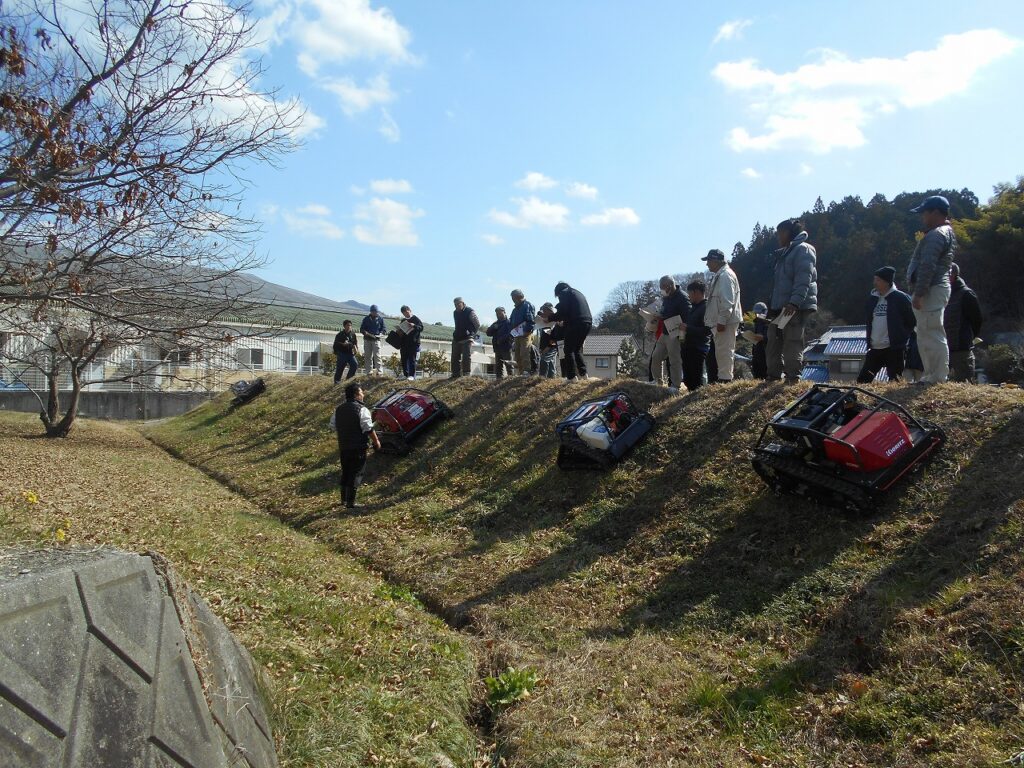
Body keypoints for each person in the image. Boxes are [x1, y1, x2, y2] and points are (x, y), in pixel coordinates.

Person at [906, 195, 956, 383]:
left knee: (931, 332)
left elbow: (928, 265)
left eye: (925, 213)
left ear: (935, 212)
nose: (923, 217)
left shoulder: (937, 235)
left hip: (931, 289)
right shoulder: (944, 232)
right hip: (935, 288)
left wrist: (919, 293)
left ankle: (937, 375)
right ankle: (931, 374)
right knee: (926, 332)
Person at [767, 218, 818, 382]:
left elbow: (803, 279)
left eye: (780, 233)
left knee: (792, 340)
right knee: (774, 338)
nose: (778, 237)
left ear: (788, 232)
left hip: (794, 306)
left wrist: (794, 302)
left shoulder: (803, 249)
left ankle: (793, 376)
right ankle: (773, 375)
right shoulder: (785, 253)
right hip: (781, 306)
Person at [857, 266, 915, 383]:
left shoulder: (900, 298)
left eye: (878, 280)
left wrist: (902, 336)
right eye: (875, 279)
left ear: (887, 281)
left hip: (894, 348)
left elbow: (912, 320)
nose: (875, 283)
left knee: (895, 381)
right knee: (862, 381)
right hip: (875, 347)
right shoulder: (872, 299)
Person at [330, 382, 380, 509]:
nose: (363, 395)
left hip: (344, 446)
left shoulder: (339, 409)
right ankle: (351, 502)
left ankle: (343, 500)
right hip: (358, 447)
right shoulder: (362, 409)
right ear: (356, 395)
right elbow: (368, 428)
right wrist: (376, 442)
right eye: (361, 392)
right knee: (356, 472)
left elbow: (333, 425)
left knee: (346, 471)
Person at [702, 249, 743, 383]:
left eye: (708, 261)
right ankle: (724, 378)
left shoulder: (725, 276)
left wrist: (722, 320)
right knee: (721, 351)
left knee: (725, 351)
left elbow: (727, 301)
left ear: (715, 260)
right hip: (723, 321)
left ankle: (725, 380)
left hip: (726, 321)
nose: (707, 264)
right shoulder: (721, 275)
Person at [944, 263, 983, 383]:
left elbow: (977, 320)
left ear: (953, 275)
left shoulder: (966, 294)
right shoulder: (941, 294)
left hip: (961, 349)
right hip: (943, 349)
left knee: (965, 384)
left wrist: (969, 337)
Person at [648, 275, 689, 389]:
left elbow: (687, 315)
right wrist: (658, 315)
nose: (662, 289)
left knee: (674, 359)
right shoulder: (666, 298)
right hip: (665, 331)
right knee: (656, 356)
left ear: (670, 285)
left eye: (663, 287)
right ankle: (657, 382)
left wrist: (683, 333)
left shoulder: (683, 297)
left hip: (675, 332)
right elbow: (664, 311)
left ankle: (676, 385)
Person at [548, 282, 592, 380]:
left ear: (558, 292)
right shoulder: (578, 293)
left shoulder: (564, 293)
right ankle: (584, 374)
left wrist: (549, 319)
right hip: (587, 322)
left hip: (576, 323)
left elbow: (563, 311)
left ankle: (571, 377)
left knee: (568, 350)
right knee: (577, 349)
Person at [682, 280, 712, 391]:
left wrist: (687, 328)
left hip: (698, 348)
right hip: (687, 347)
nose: (688, 296)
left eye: (689, 293)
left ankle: (697, 399)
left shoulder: (706, 308)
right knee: (688, 379)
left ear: (696, 292)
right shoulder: (693, 308)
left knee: (697, 380)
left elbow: (707, 331)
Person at [509, 289, 536, 376]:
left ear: (519, 296)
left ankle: (527, 371)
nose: (513, 299)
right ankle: (521, 372)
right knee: (517, 354)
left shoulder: (527, 305)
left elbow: (531, 320)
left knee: (524, 352)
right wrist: (512, 331)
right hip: (517, 334)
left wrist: (527, 331)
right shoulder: (515, 309)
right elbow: (511, 321)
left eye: (514, 297)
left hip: (525, 334)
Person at [451, 297, 480, 379]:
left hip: (467, 337)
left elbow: (477, 324)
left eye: (458, 304)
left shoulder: (470, 311)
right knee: (454, 357)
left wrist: (472, 333)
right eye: (455, 305)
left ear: (463, 303)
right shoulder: (455, 313)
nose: (457, 306)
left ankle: (466, 373)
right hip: (457, 337)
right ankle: (455, 374)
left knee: (466, 356)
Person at [486, 306, 515, 379]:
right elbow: (488, 333)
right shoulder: (496, 323)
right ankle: (499, 380)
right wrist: (493, 328)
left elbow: (511, 333)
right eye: (497, 313)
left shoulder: (509, 322)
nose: (498, 315)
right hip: (497, 347)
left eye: (500, 313)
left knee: (509, 365)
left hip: (506, 347)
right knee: (498, 366)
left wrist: (502, 339)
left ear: (504, 312)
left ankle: (511, 379)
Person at [398, 305, 424, 380]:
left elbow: (421, 328)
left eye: (406, 312)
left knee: (412, 359)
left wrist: (414, 326)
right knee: (404, 359)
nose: (406, 314)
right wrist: (399, 331)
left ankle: (411, 375)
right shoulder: (403, 320)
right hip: (404, 343)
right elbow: (402, 329)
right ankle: (405, 374)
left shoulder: (415, 319)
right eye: (404, 313)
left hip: (413, 342)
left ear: (410, 310)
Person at [359, 304, 385, 376]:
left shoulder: (380, 319)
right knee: (368, 356)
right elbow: (361, 329)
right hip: (367, 339)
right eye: (373, 311)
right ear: (371, 311)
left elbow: (384, 329)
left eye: (376, 311)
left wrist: (381, 333)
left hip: (376, 339)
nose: (375, 313)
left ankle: (380, 371)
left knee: (377, 356)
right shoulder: (366, 319)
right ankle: (369, 371)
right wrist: (365, 332)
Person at [537, 302, 559, 378]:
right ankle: (551, 378)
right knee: (550, 362)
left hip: (552, 346)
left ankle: (542, 378)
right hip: (545, 347)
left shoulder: (555, 323)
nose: (542, 313)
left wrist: (548, 347)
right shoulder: (542, 324)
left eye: (544, 311)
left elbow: (555, 338)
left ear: (549, 311)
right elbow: (543, 338)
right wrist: (541, 348)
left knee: (544, 360)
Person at [749, 302, 770, 380]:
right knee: (756, 369)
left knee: (764, 370)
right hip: (757, 349)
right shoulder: (756, 322)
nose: (757, 315)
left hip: (766, 351)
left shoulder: (769, 322)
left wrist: (763, 338)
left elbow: (774, 337)